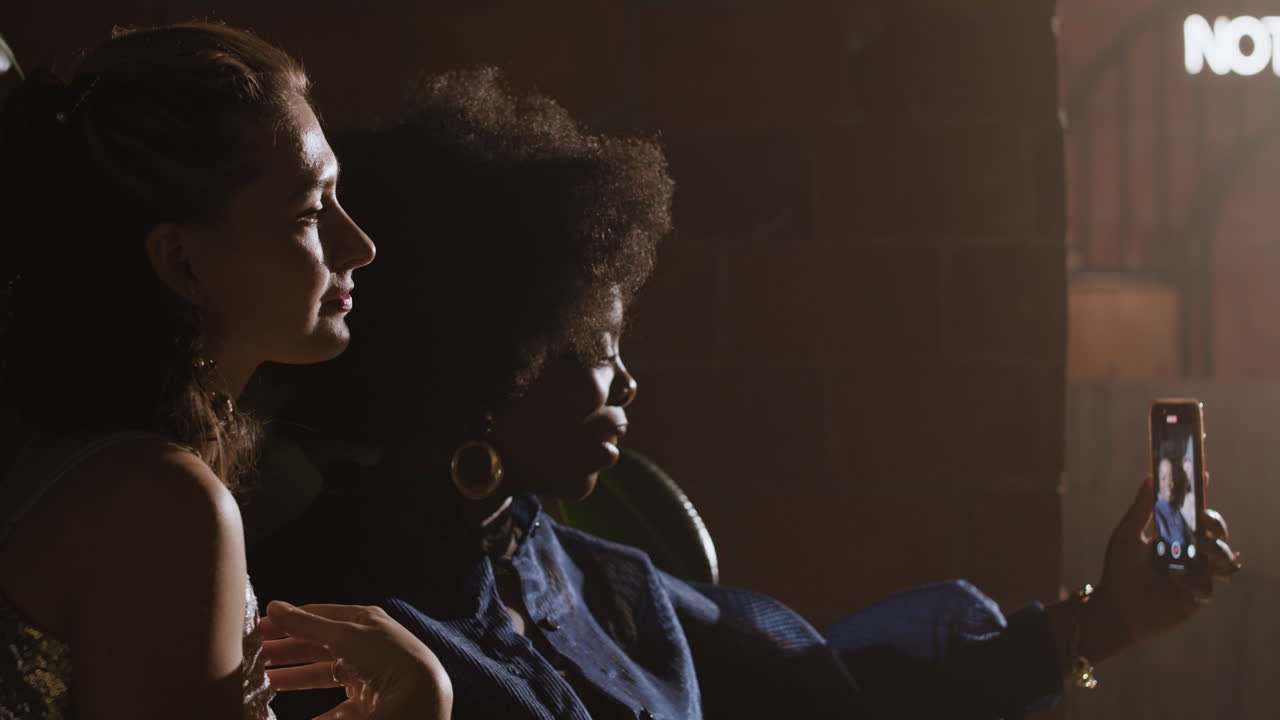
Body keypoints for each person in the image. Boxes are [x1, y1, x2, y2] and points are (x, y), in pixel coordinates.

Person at [249, 68, 1241, 719]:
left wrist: (1106, 618)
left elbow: (828, 690)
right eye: (596, 351)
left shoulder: (597, 583)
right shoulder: (325, 626)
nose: (627, 381)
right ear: (487, 365)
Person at [0, 23, 450, 719]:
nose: (357, 245)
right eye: (308, 212)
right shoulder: (160, 505)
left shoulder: (93, 463)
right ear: (182, 261)